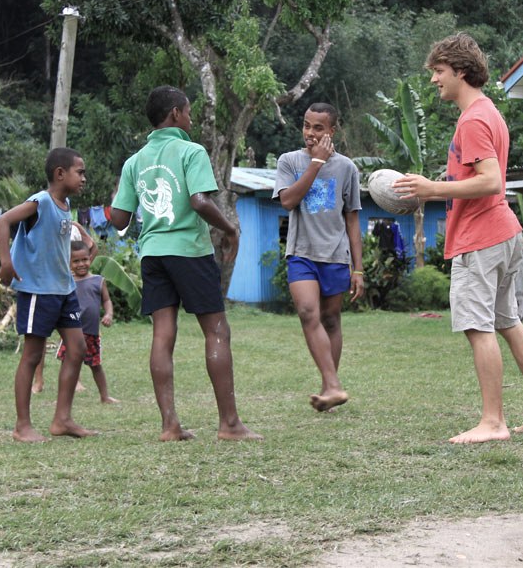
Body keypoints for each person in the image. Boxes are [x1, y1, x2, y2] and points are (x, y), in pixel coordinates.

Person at [393, 33, 523, 444]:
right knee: (507, 320)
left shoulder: (472, 120)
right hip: (503, 232)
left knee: (478, 326)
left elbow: (490, 181)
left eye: (438, 71)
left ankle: (492, 422)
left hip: (481, 237)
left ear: (461, 71)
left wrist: (431, 189)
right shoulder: (489, 113)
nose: (434, 80)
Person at [110, 85, 261, 442]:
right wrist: (229, 229)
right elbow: (199, 201)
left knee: (163, 335)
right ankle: (229, 424)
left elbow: (118, 219)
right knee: (217, 331)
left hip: (152, 254)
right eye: (189, 112)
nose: (191, 119)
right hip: (188, 251)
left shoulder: (135, 162)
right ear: (175, 113)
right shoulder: (191, 151)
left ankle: (169, 425)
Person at [0, 147, 97, 443]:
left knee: (77, 348)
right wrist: (6, 261)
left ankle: (62, 419)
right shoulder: (40, 201)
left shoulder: (66, 207)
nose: (84, 178)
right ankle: (22, 426)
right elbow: (2, 222)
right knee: (32, 355)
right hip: (38, 290)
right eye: (80, 172)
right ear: (60, 173)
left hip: (64, 289)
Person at [273, 103, 363, 412]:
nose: (310, 133)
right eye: (306, 125)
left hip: (335, 255)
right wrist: (316, 163)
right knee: (308, 312)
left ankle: (329, 389)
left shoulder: (347, 168)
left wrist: (358, 269)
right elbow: (288, 201)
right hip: (301, 253)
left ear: (332, 131)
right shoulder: (289, 161)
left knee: (331, 319)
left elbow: (352, 219)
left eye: (318, 128)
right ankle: (334, 384)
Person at [37, 241, 118, 403]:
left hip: (91, 334)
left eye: (85, 259)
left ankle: (105, 396)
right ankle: (63, 398)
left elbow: (106, 300)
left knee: (96, 366)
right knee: (67, 365)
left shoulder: (98, 280)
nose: (81, 264)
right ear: (68, 262)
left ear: (90, 258)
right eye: (76, 261)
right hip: (71, 334)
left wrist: (109, 314)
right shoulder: (66, 282)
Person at [31, 220, 97, 394]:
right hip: (45, 288)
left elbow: (92, 247)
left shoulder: (72, 228)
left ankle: (76, 380)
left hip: (68, 290)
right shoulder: (41, 226)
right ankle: (38, 380)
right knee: (39, 337)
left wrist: (79, 271)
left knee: (73, 337)